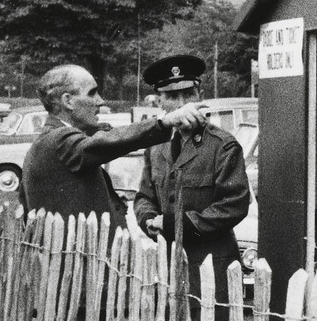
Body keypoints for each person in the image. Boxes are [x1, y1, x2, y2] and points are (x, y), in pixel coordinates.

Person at [21, 64, 202, 222]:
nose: (101, 101)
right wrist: (164, 122)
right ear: (68, 101)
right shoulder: (58, 139)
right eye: (92, 93)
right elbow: (102, 142)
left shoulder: (55, 140)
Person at [131, 53, 251, 272]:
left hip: (210, 267)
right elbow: (144, 196)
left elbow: (234, 205)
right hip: (165, 267)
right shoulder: (157, 146)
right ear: (160, 102)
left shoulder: (223, 146)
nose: (182, 104)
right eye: (172, 97)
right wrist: (148, 220)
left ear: (201, 96)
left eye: (188, 95)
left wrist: (174, 225)